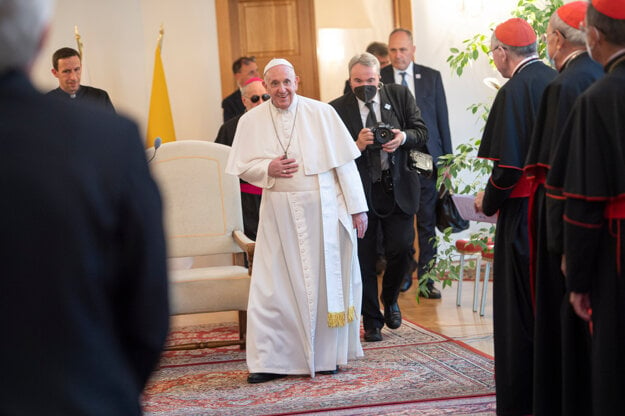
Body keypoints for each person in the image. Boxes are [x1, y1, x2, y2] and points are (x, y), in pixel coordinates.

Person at [0, 0, 170, 415]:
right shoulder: (111, 139)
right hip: (82, 390)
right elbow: (147, 299)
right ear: (43, 43)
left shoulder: (102, 113)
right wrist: (112, 387)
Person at [226, 58, 368, 384]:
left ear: (297, 81)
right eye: (274, 84)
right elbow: (243, 166)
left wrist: (358, 210)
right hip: (277, 212)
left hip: (323, 211)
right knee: (271, 288)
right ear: (265, 85)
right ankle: (270, 361)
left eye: (286, 82)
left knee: (321, 285)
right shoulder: (251, 121)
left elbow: (345, 165)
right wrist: (268, 169)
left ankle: (325, 357)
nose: (281, 90)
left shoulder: (322, 114)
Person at [474, 18, 556, 415]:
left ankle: (522, 400)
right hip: (558, 211)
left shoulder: (514, 90)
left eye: (493, 54)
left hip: (523, 215)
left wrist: (486, 203)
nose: (495, 62)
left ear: (504, 52)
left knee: (518, 313)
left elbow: (507, 171)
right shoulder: (558, 80)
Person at [546, 0, 625, 414]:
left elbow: (583, 201)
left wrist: (576, 278)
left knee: (614, 360)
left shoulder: (599, 98)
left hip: (616, 250)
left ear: (593, 36)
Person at [524, 3, 603, 415]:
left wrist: (558, 246)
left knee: (567, 329)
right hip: (608, 229)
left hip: (572, 223)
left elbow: (553, 175)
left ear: (556, 38)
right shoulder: (604, 74)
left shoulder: (563, 86)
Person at [330, 53, 428, 342]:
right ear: (350, 80)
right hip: (361, 193)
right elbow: (331, 154)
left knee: (402, 249)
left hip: (396, 188)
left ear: (379, 79)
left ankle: (391, 298)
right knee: (365, 257)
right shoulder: (336, 109)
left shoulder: (398, 95)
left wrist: (402, 139)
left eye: (370, 80)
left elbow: (422, 132)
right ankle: (371, 320)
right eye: (358, 81)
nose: (365, 86)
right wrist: (356, 145)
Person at [381, 28, 453, 298]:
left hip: (424, 159)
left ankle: (426, 280)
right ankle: (402, 274)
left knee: (426, 221)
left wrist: (447, 164)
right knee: (399, 221)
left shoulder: (430, 77)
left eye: (402, 49)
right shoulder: (380, 78)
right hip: (394, 161)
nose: (398, 55)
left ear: (413, 49)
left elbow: (441, 121)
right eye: (393, 50)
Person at [215, 77, 269, 240]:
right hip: (245, 203)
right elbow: (221, 167)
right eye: (254, 99)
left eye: (265, 97)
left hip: (275, 197)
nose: (261, 102)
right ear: (244, 101)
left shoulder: (279, 122)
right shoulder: (229, 128)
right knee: (251, 249)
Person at [47, 47, 115, 112]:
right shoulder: (46, 102)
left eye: (77, 69)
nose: (73, 77)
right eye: (66, 71)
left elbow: (113, 123)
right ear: (55, 73)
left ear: (81, 67)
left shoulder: (100, 97)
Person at [221, 56, 260, 122]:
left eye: (257, 71)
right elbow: (230, 130)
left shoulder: (268, 95)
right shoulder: (230, 103)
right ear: (238, 76)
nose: (258, 75)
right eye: (251, 73)